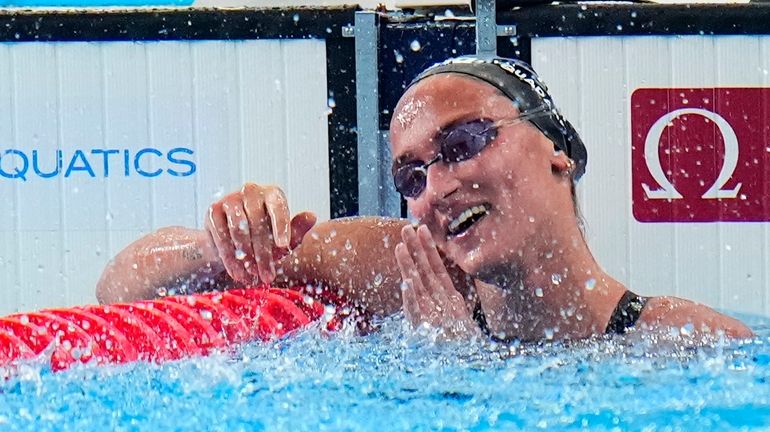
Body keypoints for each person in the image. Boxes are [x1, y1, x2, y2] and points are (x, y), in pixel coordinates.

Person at [96, 56, 753, 342]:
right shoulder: (392, 266)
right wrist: (222, 243)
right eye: (411, 176)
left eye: (465, 140)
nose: (436, 187)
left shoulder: (682, 341)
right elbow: (121, 289)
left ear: (559, 151)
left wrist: (458, 367)